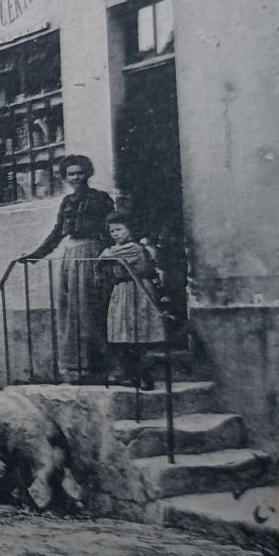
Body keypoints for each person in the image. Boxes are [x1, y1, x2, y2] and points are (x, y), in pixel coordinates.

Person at [20, 155, 115, 383]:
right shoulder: (67, 202)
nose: (75, 178)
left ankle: (101, 367)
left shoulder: (100, 198)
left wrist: (111, 253)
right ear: (65, 177)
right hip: (71, 255)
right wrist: (35, 255)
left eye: (79, 173)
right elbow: (58, 232)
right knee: (71, 310)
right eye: (71, 174)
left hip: (92, 252)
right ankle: (77, 369)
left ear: (87, 174)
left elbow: (112, 225)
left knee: (90, 309)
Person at [99, 214, 168, 390]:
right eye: (112, 231)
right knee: (124, 335)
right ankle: (132, 375)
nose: (115, 234)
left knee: (135, 334)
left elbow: (105, 256)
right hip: (122, 290)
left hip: (135, 290)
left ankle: (144, 377)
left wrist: (105, 255)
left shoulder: (132, 248)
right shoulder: (120, 248)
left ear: (130, 229)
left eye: (119, 229)